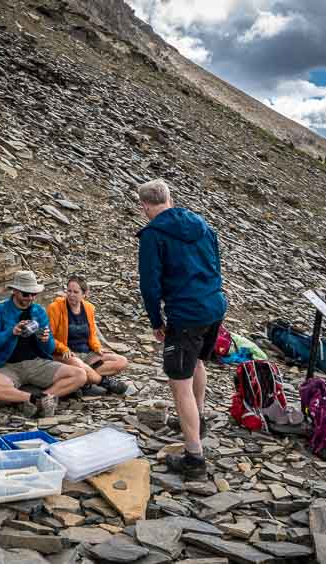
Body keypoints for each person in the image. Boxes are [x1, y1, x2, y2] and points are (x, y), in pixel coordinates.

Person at [136, 178, 227, 478]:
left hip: (186, 313)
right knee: (198, 361)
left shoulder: (153, 235)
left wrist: (156, 321)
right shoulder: (201, 225)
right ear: (169, 198)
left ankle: (194, 456)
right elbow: (216, 263)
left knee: (179, 381)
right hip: (213, 306)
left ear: (145, 205)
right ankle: (197, 419)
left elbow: (150, 285)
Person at [0, 270, 86, 417]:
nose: (30, 298)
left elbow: (49, 349)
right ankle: (33, 399)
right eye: (25, 294)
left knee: (80, 375)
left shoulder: (38, 311)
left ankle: (41, 399)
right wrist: (11, 332)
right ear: (15, 291)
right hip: (8, 366)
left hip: (36, 363)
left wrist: (45, 339)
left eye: (33, 294)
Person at [47, 275, 128, 395]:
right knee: (79, 364)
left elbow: (92, 334)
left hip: (86, 353)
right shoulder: (55, 308)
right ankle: (105, 383)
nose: (71, 295)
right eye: (69, 291)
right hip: (66, 354)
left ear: (84, 294)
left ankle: (85, 380)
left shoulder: (89, 308)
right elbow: (49, 336)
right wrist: (63, 348)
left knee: (122, 361)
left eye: (76, 292)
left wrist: (97, 348)